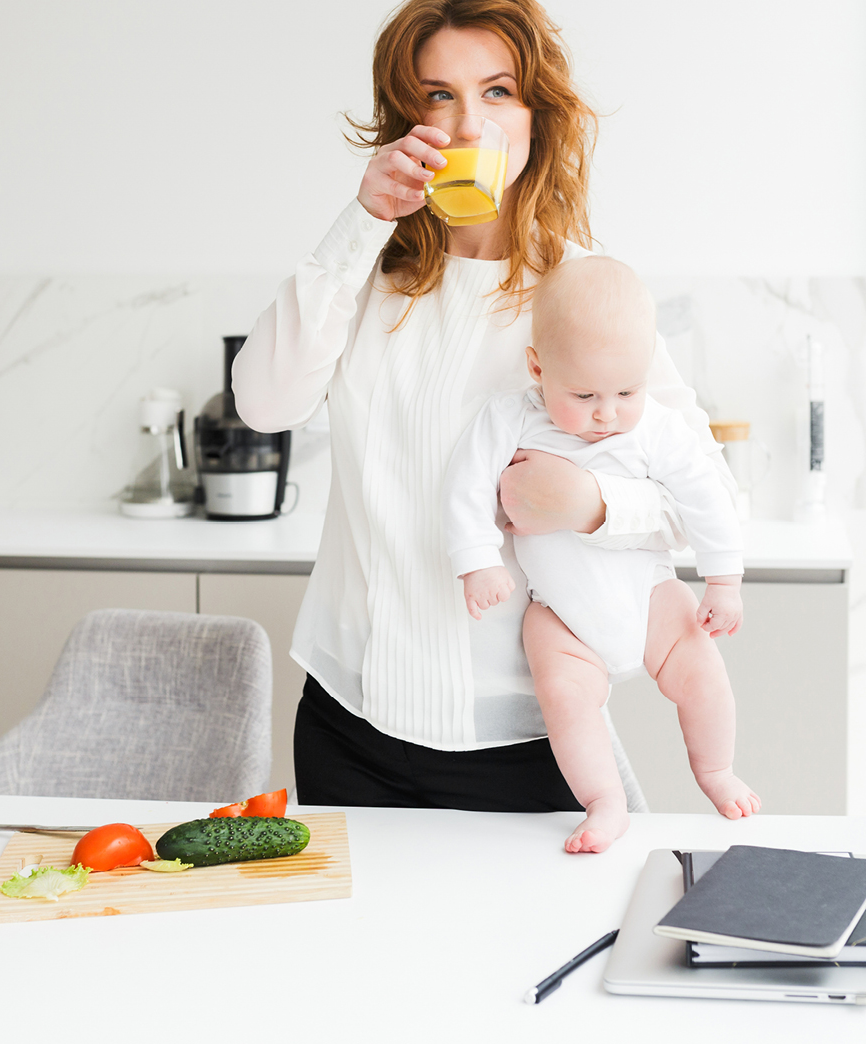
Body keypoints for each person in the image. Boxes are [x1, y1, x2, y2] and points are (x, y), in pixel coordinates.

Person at [232, 0, 734, 812]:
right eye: (438, 96)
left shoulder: (584, 296)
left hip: (528, 741)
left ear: (537, 115)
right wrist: (362, 222)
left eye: (497, 92)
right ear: (407, 119)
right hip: (349, 728)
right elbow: (262, 402)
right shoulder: (364, 275)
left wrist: (594, 503)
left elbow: (704, 497)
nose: (468, 125)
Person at [443, 256, 761, 852]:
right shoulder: (511, 417)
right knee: (564, 699)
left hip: (651, 596)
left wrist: (724, 579)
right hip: (560, 614)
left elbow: (707, 497)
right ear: (538, 366)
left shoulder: (658, 429)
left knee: (703, 672)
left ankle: (715, 770)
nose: (606, 412)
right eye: (583, 393)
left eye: (626, 391)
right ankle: (604, 800)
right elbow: (462, 486)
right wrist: (477, 559)